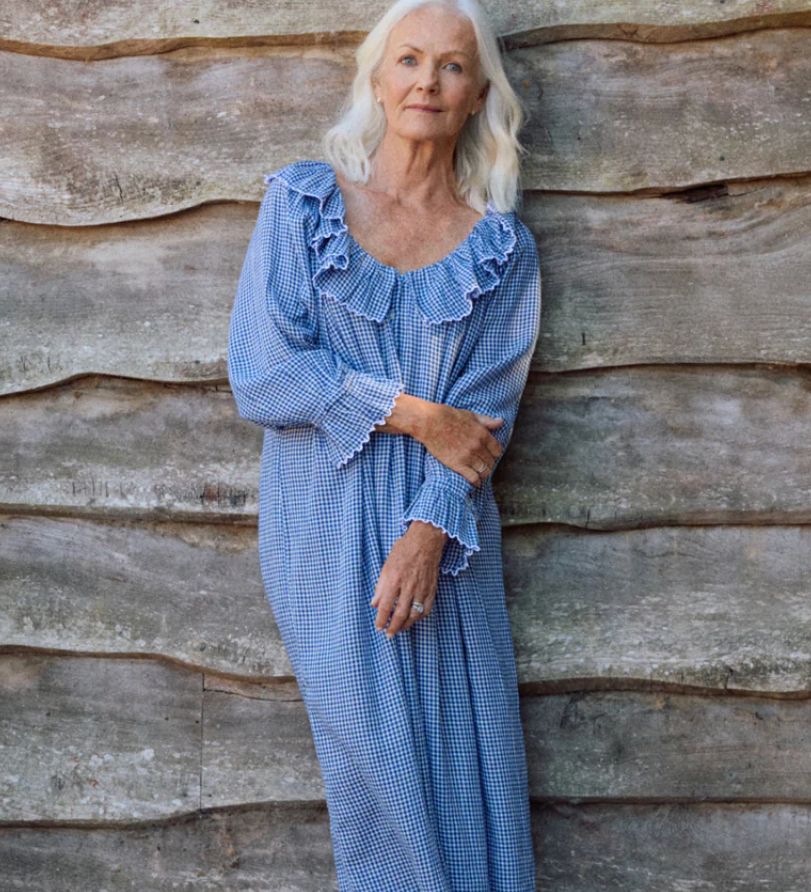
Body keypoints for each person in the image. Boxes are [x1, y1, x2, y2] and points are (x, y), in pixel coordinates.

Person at [227, 0, 541, 888]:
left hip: (446, 541)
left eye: (450, 66)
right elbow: (262, 375)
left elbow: (485, 422)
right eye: (409, 60)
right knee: (379, 783)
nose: (427, 83)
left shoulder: (500, 250)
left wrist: (429, 537)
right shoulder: (302, 204)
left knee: (468, 767)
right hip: (323, 534)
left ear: (479, 93)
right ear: (377, 76)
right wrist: (413, 412)